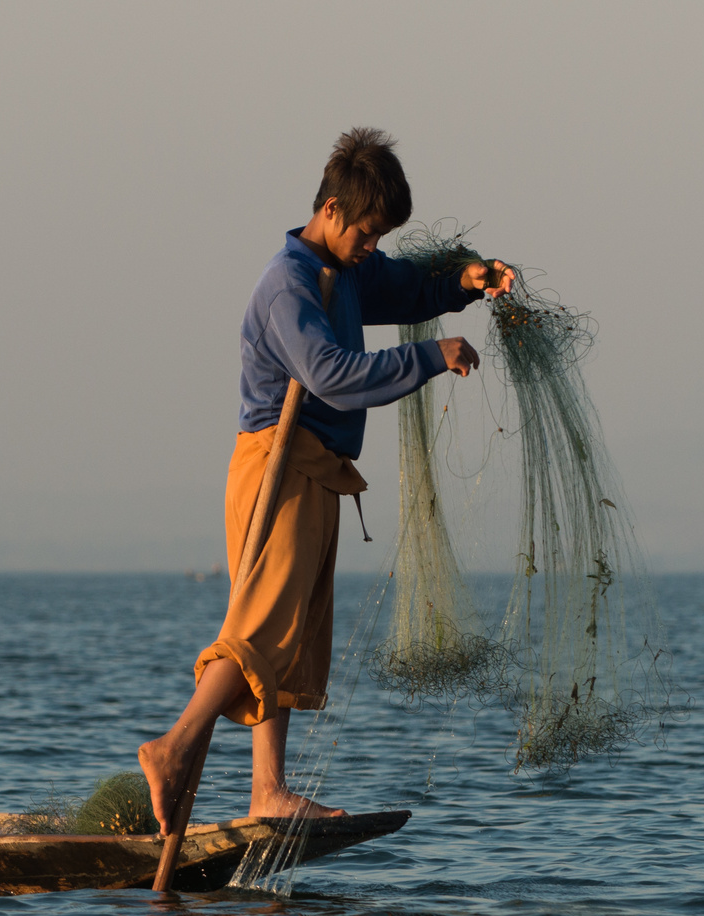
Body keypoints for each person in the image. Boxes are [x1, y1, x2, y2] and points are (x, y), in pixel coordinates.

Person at [139, 128, 514, 832]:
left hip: (316, 470)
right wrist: (432, 357)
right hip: (275, 468)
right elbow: (334, 378)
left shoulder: (342, 273)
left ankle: (266, 792)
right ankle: (176, 746)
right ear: (334, 211)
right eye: (368, 233)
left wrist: (463, 280)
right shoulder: (287, 287)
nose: (373, 246)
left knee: (288, 638)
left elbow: (404, 287)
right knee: (258, 627)